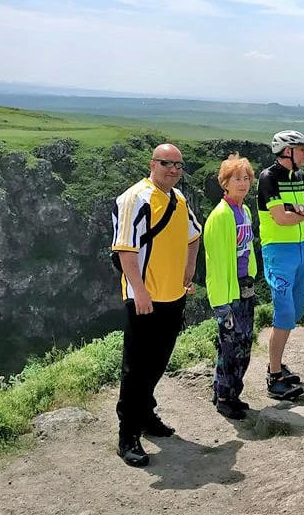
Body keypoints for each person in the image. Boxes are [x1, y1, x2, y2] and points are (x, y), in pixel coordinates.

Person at [109, 143, 202, 467]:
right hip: (144, 298)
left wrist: (189, 269)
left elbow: (194, 235)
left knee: (159, 360)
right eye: (167, 163)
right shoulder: (135, 198)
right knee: (136, 367)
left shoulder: (178, 199)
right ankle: (127, 435)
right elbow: (125, 250)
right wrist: (140, 292)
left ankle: (146, 416)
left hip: (173, 296)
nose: (173, 169)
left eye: (178, 164)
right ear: (153, 163)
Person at [257, 129, 304, 399]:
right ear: (287, 152)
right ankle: (273, 376)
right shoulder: (268, 177)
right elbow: (279, 219)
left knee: (296, 309)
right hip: (278, 252)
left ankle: (277, 362)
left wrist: (296, 211)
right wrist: (302, 213)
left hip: (300, 249)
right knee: (283, 313)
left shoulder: (300, 177)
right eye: (301, 148)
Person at [203, 153, 258, 419]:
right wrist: (221, 304)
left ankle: (234, 392)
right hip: (229, 290)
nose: (243, 183)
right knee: (229, 346)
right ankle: (223, 395)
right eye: (237, 178)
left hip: (245, 286)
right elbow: (214, 263)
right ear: (225, 182)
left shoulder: (245, 211)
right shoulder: (219, 216)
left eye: (246, 178)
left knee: (244, 344)